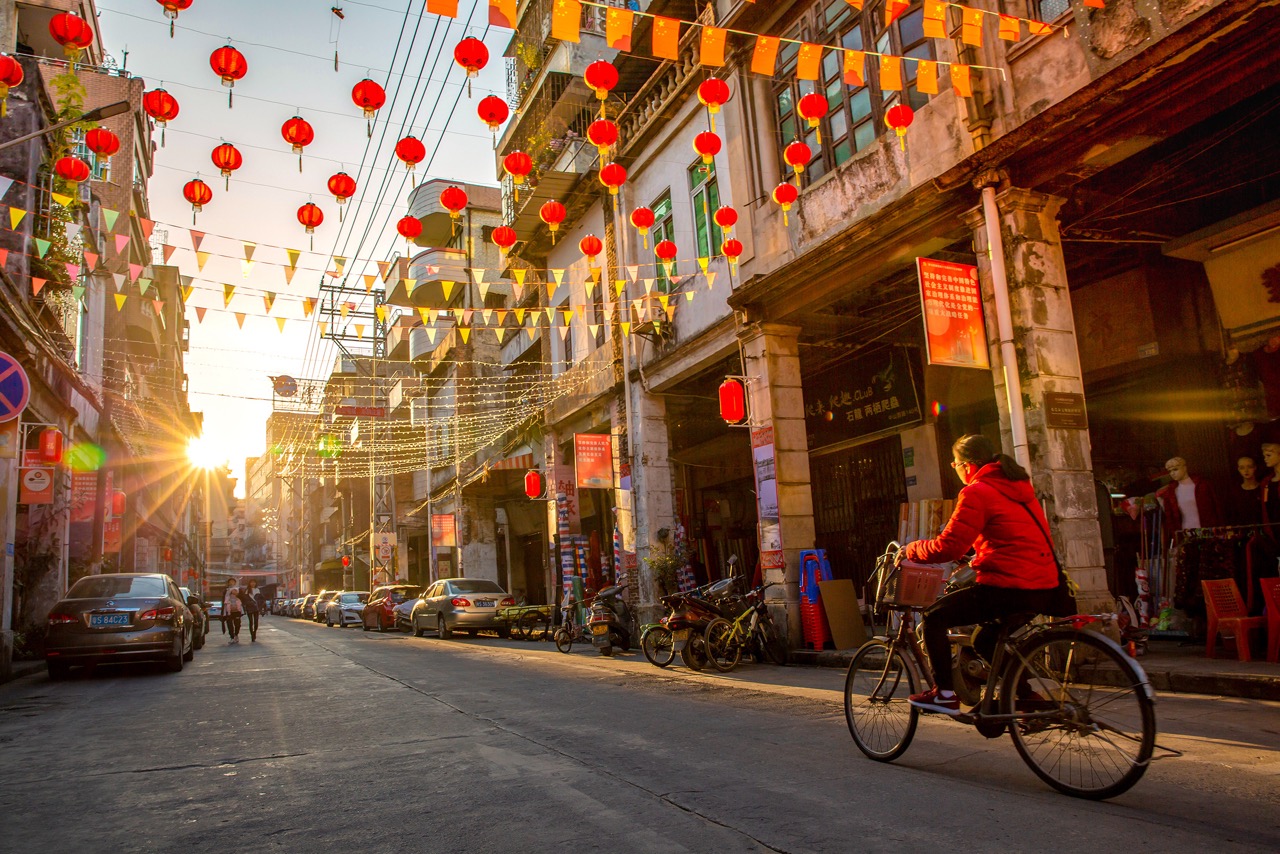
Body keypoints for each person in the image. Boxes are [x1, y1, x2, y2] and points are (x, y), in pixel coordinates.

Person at [899, 434, 1059, 715]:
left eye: (955, 463)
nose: (956, 468)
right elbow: (1010, 537)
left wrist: (912, 549)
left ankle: (944, 694)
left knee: (934, 617)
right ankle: (1026, 695)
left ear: (968, 466)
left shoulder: (977, 491)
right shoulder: (1017, 487)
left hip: (1009, 586)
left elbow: (948, 546)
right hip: (1043, 587)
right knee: (984, 640)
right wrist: (976, 555)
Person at [223, 577, 244, 645]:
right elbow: (223, 600)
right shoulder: (226, 590)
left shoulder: (239, 589)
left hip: (237, 609)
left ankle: (236, 635)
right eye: (230, 582)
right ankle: (232, 637)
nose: (231, 583)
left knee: (237, 624)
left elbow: (243, 597)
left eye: (233, 581)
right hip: (229, 609)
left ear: (235, 582)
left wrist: (236, 594)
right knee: (229, 623)